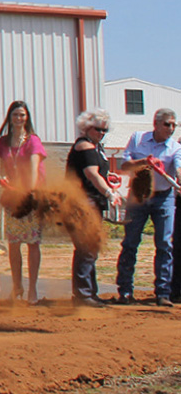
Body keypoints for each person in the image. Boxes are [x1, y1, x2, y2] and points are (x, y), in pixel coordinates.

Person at [117, 108, 181, 307]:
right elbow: (124, 165)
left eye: (173, 125)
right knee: (130, 243)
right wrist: (144, 162)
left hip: (164, 198)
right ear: (156, 124)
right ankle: (125, 291)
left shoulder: (175, 147)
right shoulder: (138, 139)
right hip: (138, 197)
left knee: (164, 245)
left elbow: (178, 168)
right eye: (167, 124)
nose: (170, 129)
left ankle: (163, 293)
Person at [65, 108, 120, 307]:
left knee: (90, 247)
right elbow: (91, 174)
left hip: (91, 202)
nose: (102, 133)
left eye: (105, 130)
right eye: (98, 129)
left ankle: (88, 292)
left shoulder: (96, 148)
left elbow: (99, 175)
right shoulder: (85, 147)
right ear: (87, 127)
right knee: (86, 247)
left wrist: (108, 182)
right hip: (82, 204)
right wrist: (108, 192)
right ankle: (83, 294)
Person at [0, 100, 46, 305]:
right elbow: (2, 168)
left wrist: (30, 193)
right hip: (12, 198)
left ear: (27, 118)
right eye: (15, 115)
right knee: (14, 243)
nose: (19, 119)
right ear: (10, 118)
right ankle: (17, 287)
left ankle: (32, 289)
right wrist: (5, 181)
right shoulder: (3, 142)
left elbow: (34, 169)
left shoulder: (33, 140)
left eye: (22, 115)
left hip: (31, 198)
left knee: (33, 243)